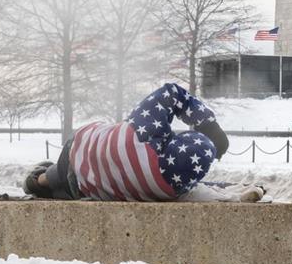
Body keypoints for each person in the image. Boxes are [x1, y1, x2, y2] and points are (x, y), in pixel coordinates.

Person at [23, 82, 230, 201]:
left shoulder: (146, 133)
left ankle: (36, 181)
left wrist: (208, 124)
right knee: (64, 182)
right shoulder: (170, 189)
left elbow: (171, 93)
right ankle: (44, 182)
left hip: (81, 149)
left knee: (55, 174)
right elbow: (197, 187)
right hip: (87, 187)